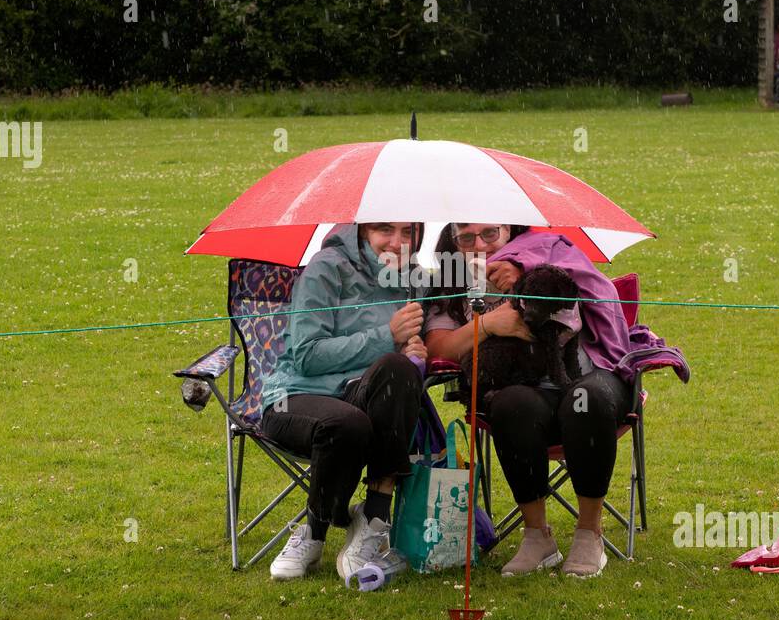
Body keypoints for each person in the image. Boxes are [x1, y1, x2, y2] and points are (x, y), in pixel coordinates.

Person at [424, 223, 639, 579]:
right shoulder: (452, 283)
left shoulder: (549, 248)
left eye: (490, 234)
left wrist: (525, 269)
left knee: (586, 400)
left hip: (589, 373)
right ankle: (537, 537)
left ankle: (589, 533)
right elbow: (439, 348)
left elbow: (594, 287)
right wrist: (488, 325)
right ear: (453, 242)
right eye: (467, 238)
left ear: (509, 230)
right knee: (511, 406)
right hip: (523, 388)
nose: (481, 245)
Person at [261, 222, 427, 584]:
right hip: (297, 397)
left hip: (363, 402)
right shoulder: (327, 268)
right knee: (347, 423)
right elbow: (306, 355)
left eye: (407, 232)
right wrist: (387, 336)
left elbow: (404, 360)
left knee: (398, 369)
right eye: (385, 230)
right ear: (362, 230)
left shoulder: (416, 280)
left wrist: (413, 353)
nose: (397, 243)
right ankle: (313, 532)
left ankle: (372, 521)